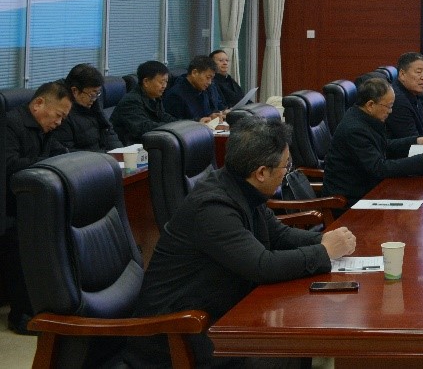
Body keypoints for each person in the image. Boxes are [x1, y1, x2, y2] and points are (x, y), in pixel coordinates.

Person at [118, 116, 357, 367]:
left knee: (300, 333)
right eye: (285, 166)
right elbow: (262, 266)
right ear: (261, 173)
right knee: (289, 348)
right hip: (178, 336)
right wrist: (323, 252)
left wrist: (328, 240)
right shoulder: (212, 207)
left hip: (219, 314)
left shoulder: (241, 186)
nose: (287, 172)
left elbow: (279, 235)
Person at [3, 81, 72, 333]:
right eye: (58, 115)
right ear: (39, 104)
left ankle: (52, 305)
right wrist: (48, 163)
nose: (59, 122)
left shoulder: (45, 128)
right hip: (9, 206)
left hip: (33, 204)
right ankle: (21, 315)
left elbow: (61, 152)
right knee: (24, 239)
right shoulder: (10, 124)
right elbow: (10, 167)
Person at [323, 77, 423, 206]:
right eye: (388, 106)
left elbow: (384, 145)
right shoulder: (354, 129)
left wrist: (415, 141)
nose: (391, 111)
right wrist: (422, 162)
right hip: (350, 200)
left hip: (370, 189)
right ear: (370, 105)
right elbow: (379, 168)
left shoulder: (364, 117)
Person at [51, 62, 120, 152]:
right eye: (92, 94)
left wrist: (120, 153)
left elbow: (108, 132)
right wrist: (105, 156)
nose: (94, 99)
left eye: (98, 93)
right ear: (75, 91)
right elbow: (68, 152)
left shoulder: (94, 105)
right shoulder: (63, 115)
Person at [111, 60, 178, 145]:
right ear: (146, 82)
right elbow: (143, 128)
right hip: (129, 147)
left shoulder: (154, 97)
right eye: (161, 82)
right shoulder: (131, 101)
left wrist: (183, 124)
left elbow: (164, 116)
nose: (164, 86)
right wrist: (172, 128)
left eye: (166, 82)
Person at [163, 55, 228, 123]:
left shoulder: (202, 90)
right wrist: (198, 121)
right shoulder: (175, 95)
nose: (210, 82)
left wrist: (211, 117)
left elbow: (204, 115)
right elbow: (175, 123)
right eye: (208, 77)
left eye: (211, 79)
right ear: (194, 73)